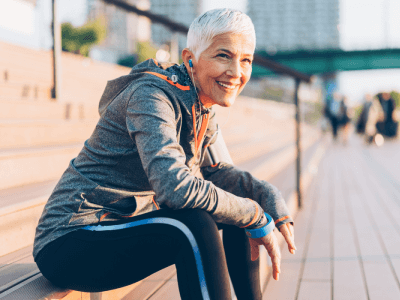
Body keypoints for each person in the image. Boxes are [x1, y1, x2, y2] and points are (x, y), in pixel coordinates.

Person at [33, 9, 295, 300]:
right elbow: (176, 188)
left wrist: (266, 198)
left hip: (123, 223)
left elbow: (218, 174)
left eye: (245, 60)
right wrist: (255, 215)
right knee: (194, 223)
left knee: (236, 211)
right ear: (189, 59)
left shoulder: (201, 104)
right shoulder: (152, 95)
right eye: (223, 55)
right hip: (72, 239)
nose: (236, 72)